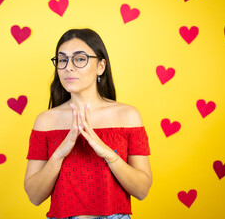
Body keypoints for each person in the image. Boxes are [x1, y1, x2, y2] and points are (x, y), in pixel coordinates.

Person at [24, 28, 152, 219]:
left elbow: (142, 190)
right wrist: (60, 153)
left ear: (101, 66)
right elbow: (34, 196)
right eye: (62, 60)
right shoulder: (45, 121)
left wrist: (106, 151)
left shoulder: (128, 116)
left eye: (80, 59)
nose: (69, 67)